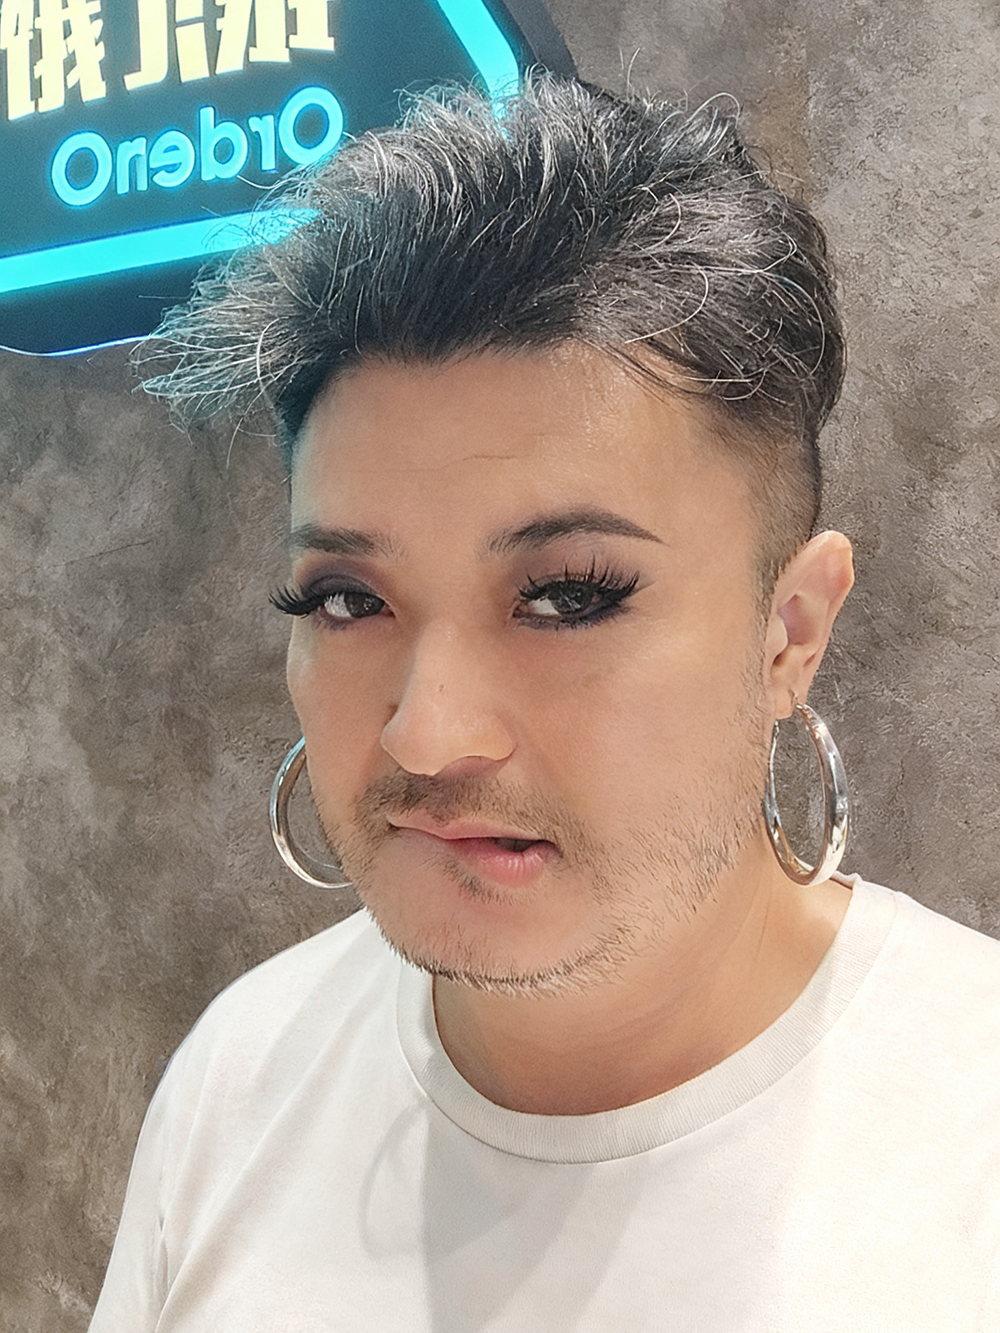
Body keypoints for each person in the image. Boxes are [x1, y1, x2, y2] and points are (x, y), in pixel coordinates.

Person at [89, 77, 1000, 1331]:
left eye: (568, 596)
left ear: (789, 631)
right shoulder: (243, 1077)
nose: (426, 733)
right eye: (348, 598)